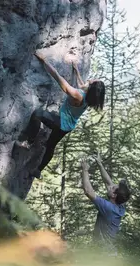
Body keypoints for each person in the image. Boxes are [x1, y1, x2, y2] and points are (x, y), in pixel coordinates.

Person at [15, 50, 106, 179]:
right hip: (68, 127)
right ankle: (38, 170)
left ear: (91, 86)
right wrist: (76, 70)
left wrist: (44, 61)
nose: (92, 78)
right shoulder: (87, 97)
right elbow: (81, 84)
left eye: (94, 80)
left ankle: (28, 142)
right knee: (50, 146)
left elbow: (59, 78)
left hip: (61, 122)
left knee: (38, 114)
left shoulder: (78, 95)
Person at [80, 154, 131, 256]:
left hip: (103, 254)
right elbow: (108, 183)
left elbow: (88, 191)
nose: (110, 186)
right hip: (109, 252)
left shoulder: (109, 208)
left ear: (113, 195)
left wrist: (85, 170)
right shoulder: (119, 204)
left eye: (113, 188)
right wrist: (99, 164)